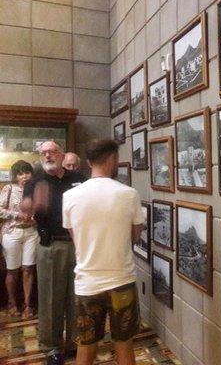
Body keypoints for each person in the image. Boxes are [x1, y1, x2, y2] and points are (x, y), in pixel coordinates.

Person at [62, 139, 144, 365]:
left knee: (86, 345)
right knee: (124, 344)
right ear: (113, 160)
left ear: (88, 162)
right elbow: (135, 236)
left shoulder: (69, 196)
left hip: (87, 281)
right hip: (122, 280)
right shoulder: (129, 194)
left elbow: (74, 237)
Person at [22, 141, 86, 365]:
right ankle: (52, 348)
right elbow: (25, 209)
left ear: (61, 155)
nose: (47, 155)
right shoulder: (35, 182)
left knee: (77, 297)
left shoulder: (79, 179)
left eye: (51, 152)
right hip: (50, 246)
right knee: (50, 298)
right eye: (43, 153)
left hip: (80, 245)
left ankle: (76, 342)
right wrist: (29, 207)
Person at [0, 160, 37, 319]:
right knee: (12, 269)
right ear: (15, 176)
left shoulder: (36, 189)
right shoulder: (9, 189)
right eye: (20, 173)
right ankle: (12, 302)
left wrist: (37, 218)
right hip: (12, 232)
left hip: (31, 232)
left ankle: (28, 304)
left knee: (28, 268)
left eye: (27, 172)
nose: (24, 176)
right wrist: (17, 215)